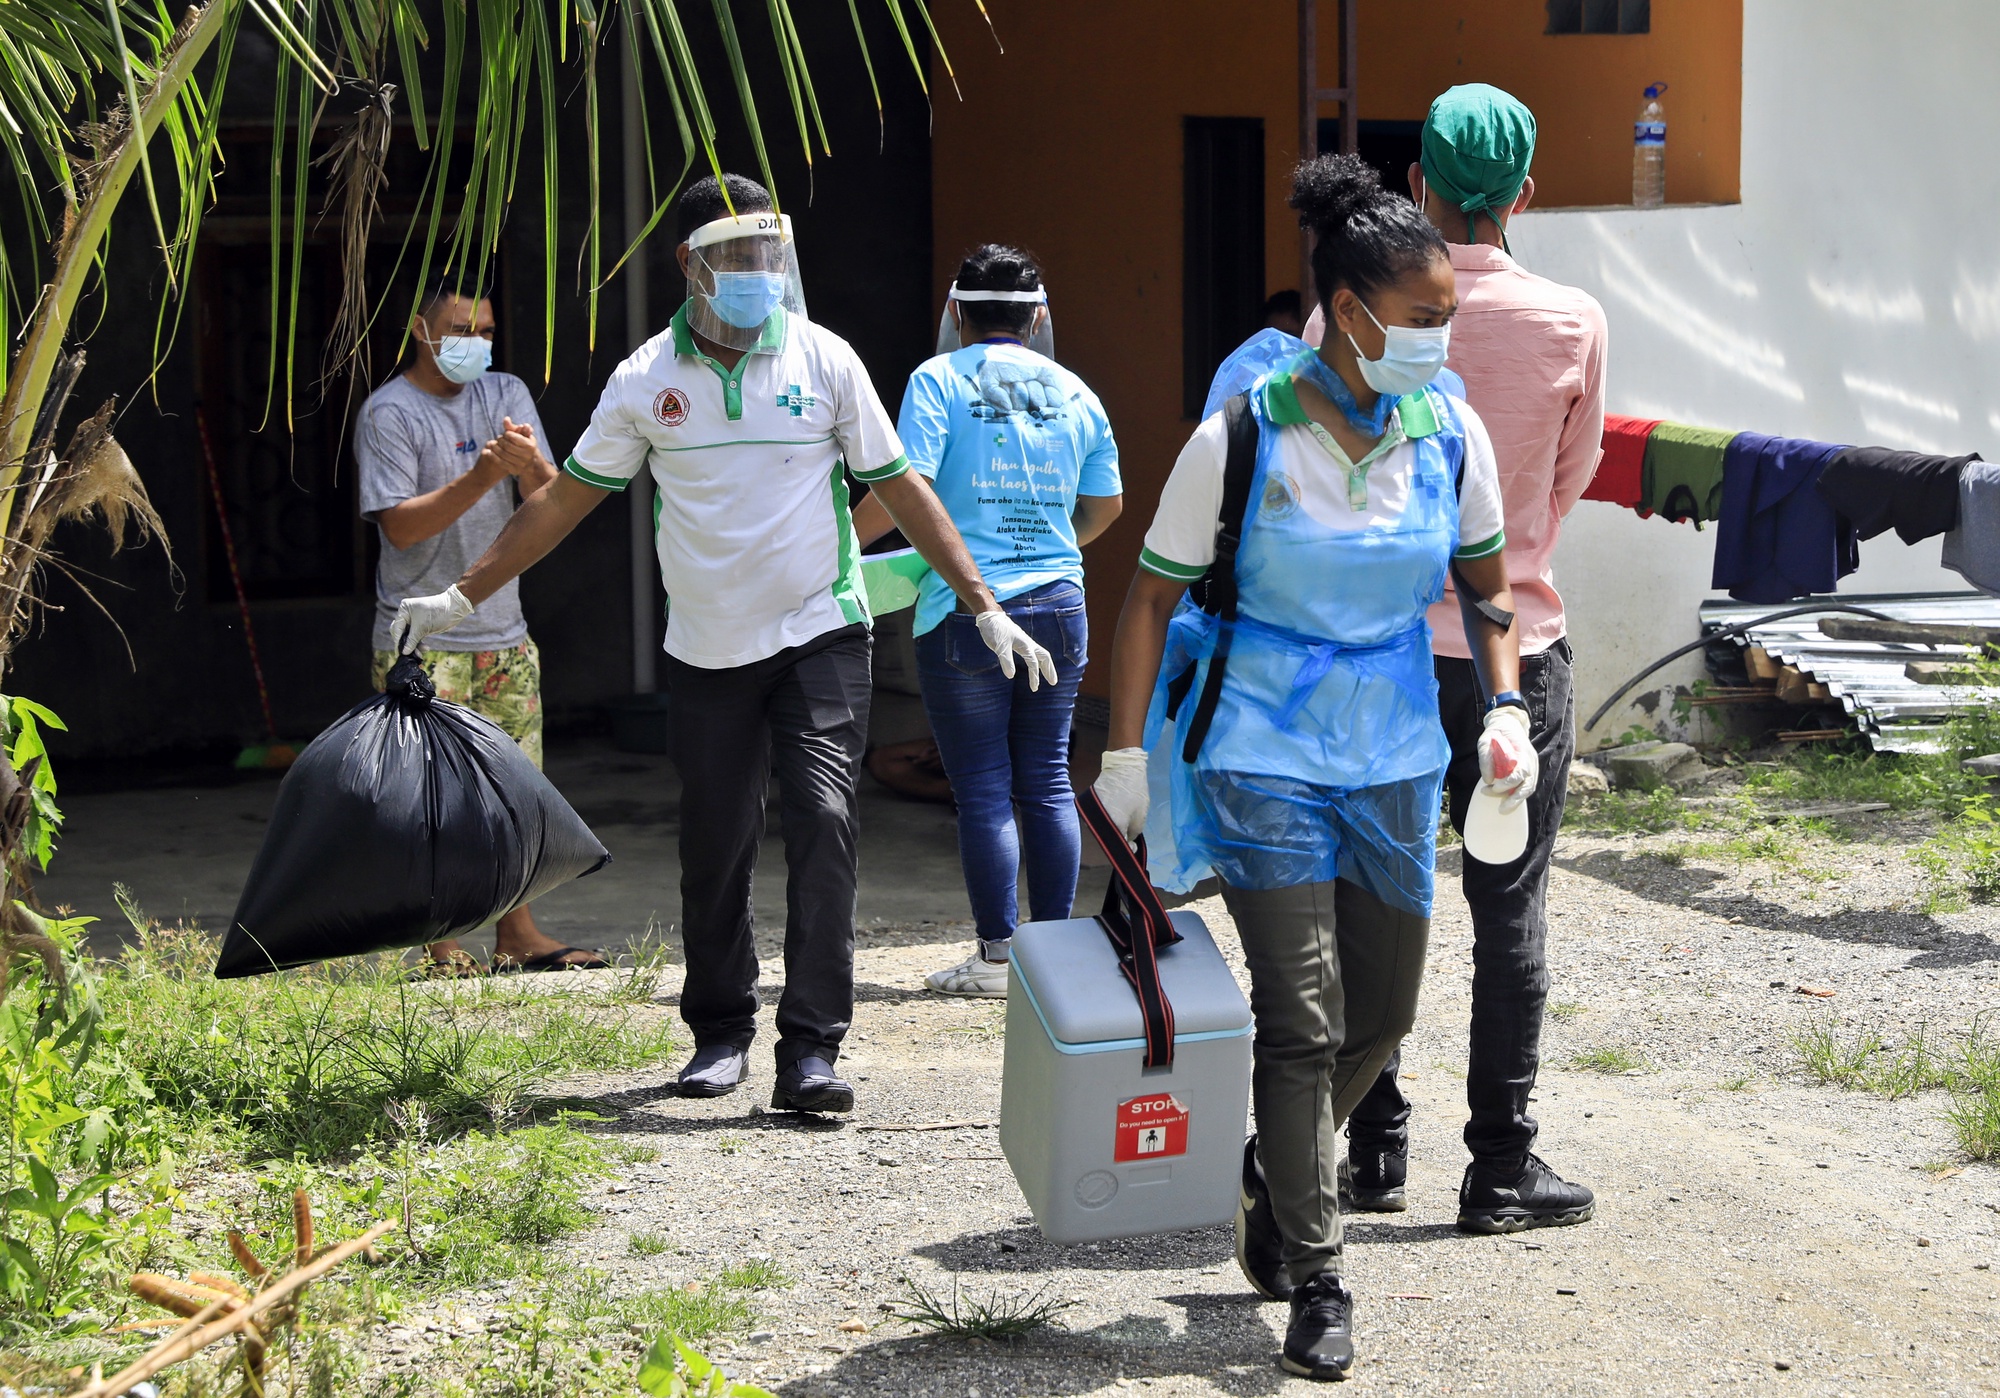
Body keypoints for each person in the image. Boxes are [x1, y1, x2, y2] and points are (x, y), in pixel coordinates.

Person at [388, 174, 1051, 1115]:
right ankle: (720, 1032)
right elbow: (567, 501)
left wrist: (981, 602)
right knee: (717, 839)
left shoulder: (826, 361)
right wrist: (461, 590)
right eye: (736, 258)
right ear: (690, 264)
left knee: (824, 822)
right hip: (704, 650)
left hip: (822, 631)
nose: (757, 275)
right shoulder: (645, 379)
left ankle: (813, 1049)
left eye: (768, 257)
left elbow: (901, 487)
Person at [1091, 153, 1533, 1380]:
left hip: (1392, 751)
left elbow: (1487, 590)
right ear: (1347, 314)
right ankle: (1316, 1272)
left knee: (1380, 1017)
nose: (1442, 340)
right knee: (1302, 1021)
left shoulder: (1448, 431)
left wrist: (1505, 710)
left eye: (1449, 317)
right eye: (1423, 320)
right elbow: (1147, 597)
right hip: (1264, 749)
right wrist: (1126, 754)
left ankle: (1270, 1171)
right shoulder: (1238, 433)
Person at [1307, 83, 1608, 1235]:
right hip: (1512, 651)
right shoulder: (1569, 319)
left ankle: (1370, 1147)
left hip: (1374, 648)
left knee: (1368, 897)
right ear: (1523, 193)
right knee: (1508, 907)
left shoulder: (1350, 304)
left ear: (1417, 185)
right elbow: (1566, 479)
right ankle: (1498, 1166)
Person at [851, 245, 1123, 997]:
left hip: (968, 611)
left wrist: (839, 544)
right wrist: (1051, 545)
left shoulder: (935, 381)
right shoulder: (1077, 390)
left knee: (983, 787)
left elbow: (907, 487)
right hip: (1061, 604)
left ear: (958, 313)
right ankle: (1061, 955)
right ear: (1038, 316)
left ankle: (997, 957)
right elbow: (1106, 508)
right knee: (1047, 779)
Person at [357, 283, 606, 977]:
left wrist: (531, 471)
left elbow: (549, 501)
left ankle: (519, 932)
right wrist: (481, 475)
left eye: (487, 329)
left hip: (504, 632)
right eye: (461, 327)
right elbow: (402, 527)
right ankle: (442, 941)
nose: (477, 341)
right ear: (419, 328)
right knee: (431, 798)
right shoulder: (389, 413)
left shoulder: (506, 392)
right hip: (421, 640)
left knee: (516, 789)